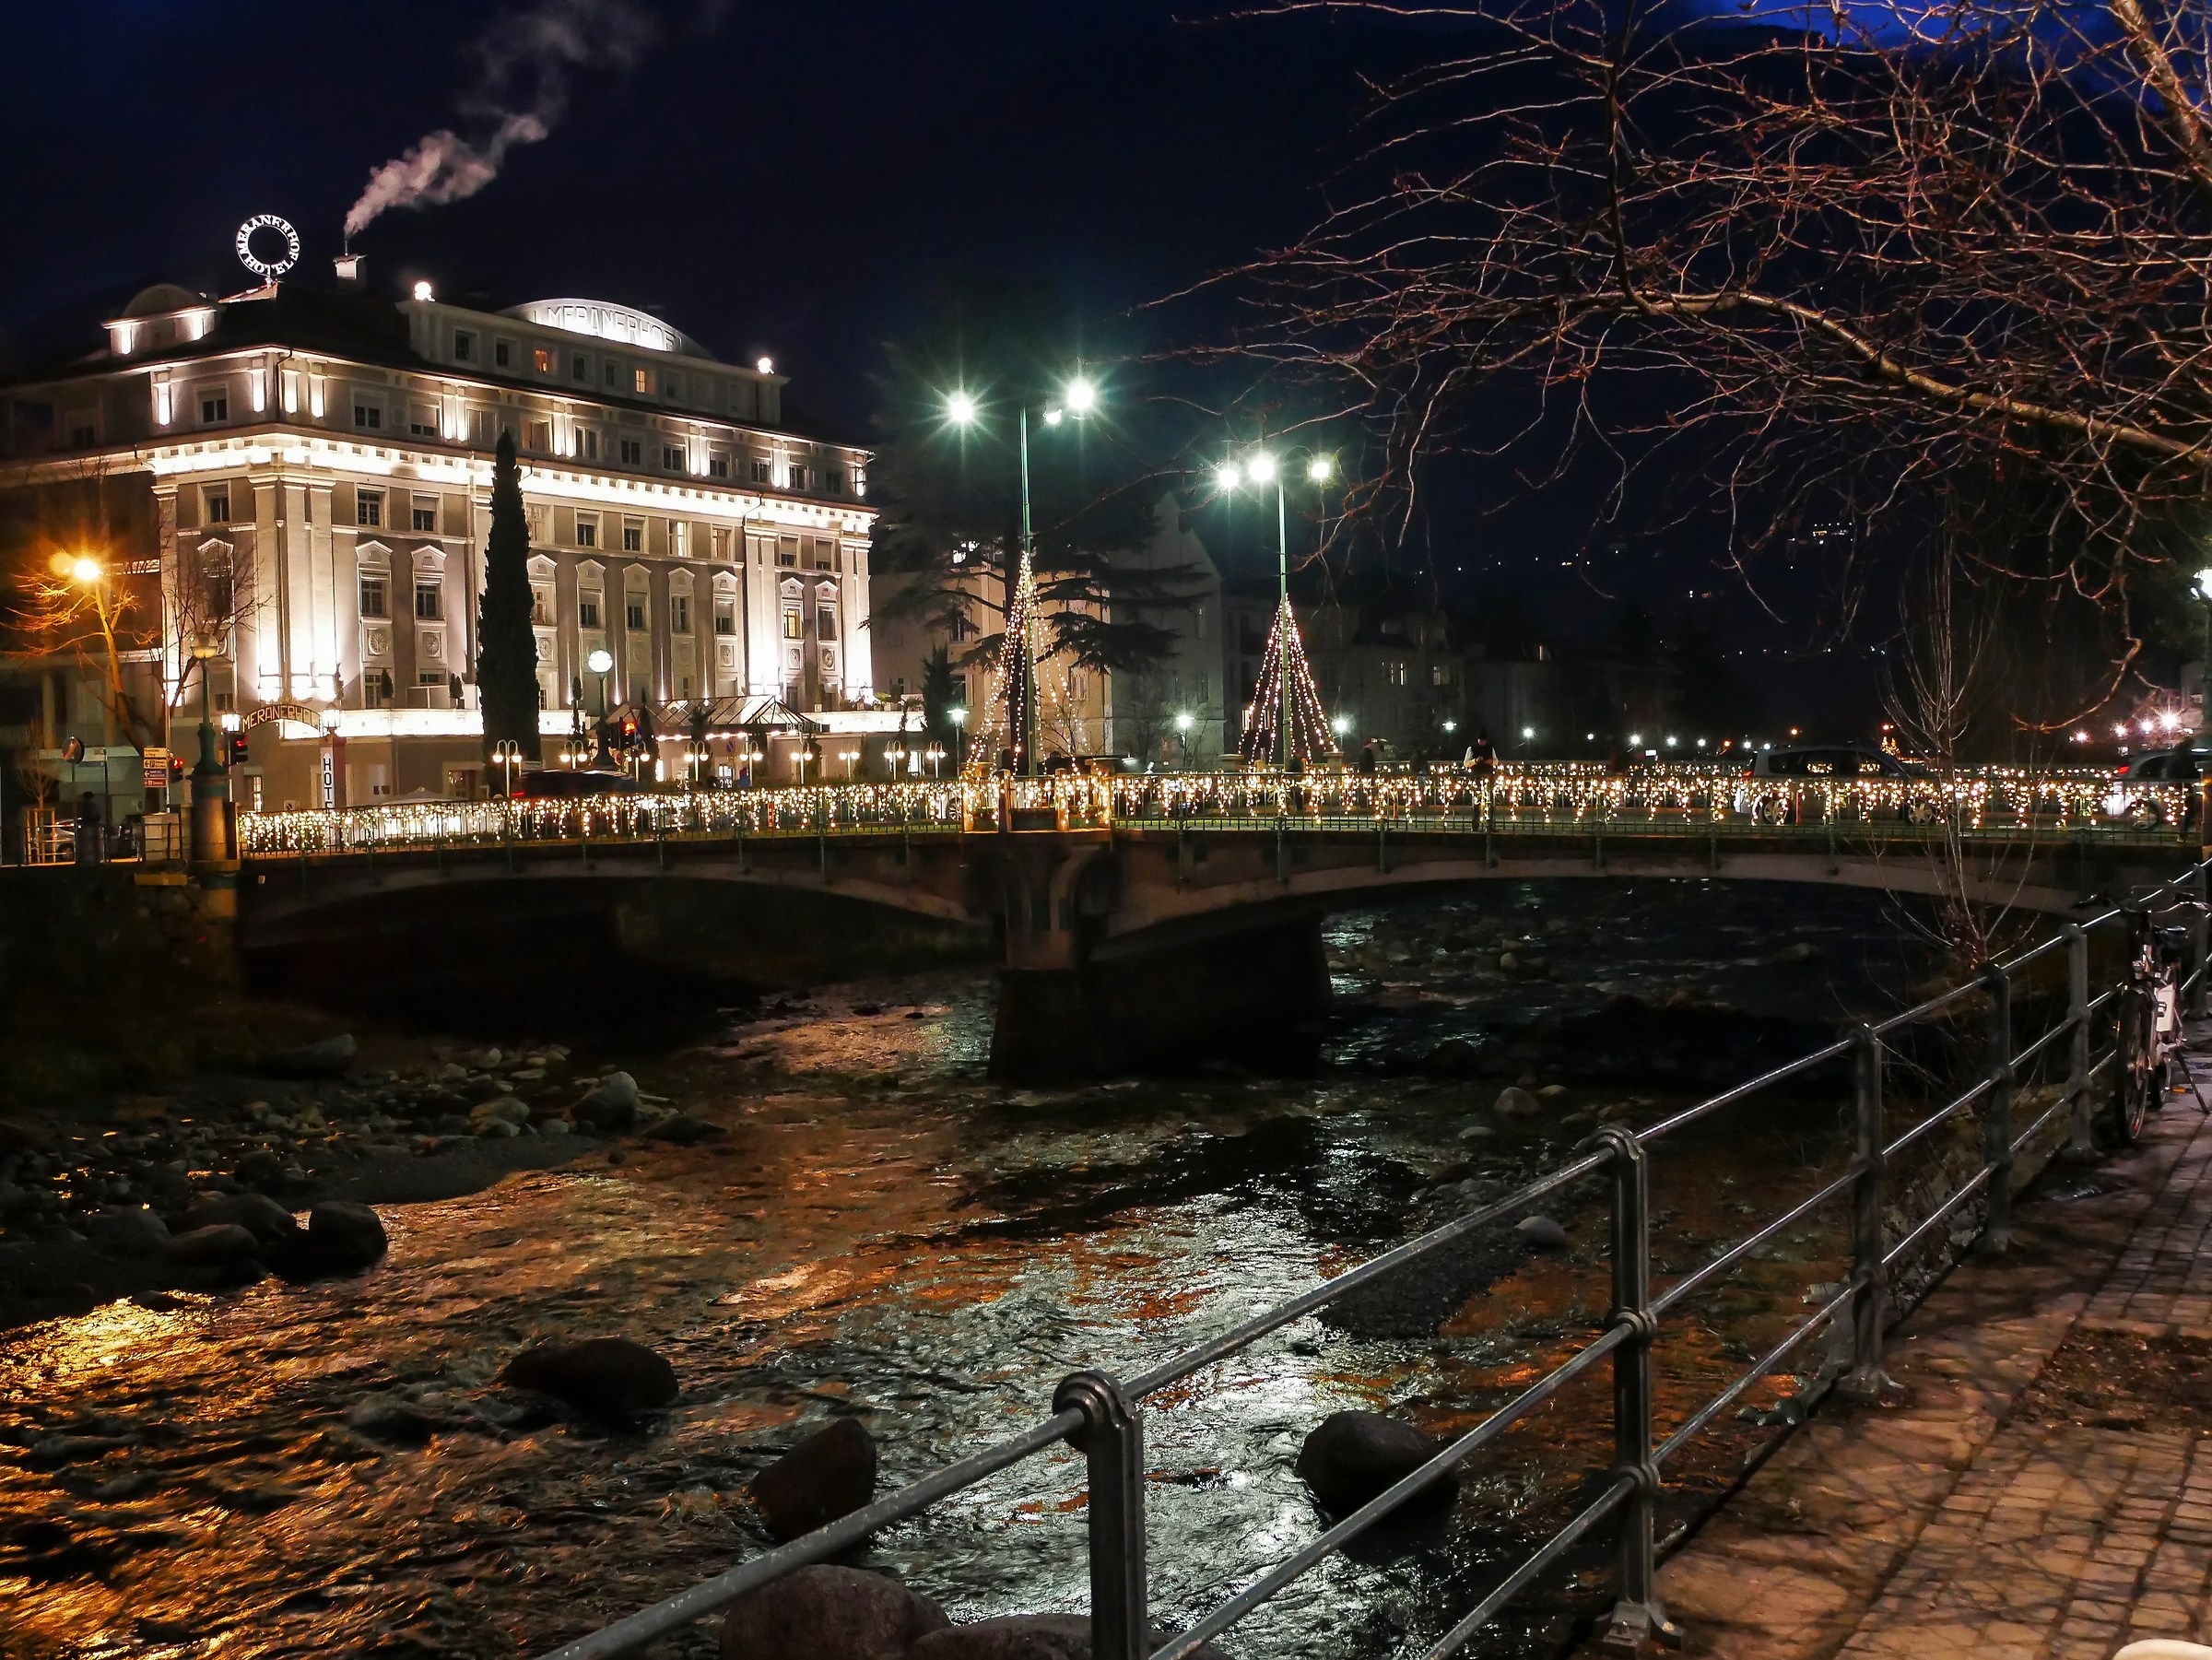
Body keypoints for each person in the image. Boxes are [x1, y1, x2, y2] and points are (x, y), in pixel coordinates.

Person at [75, 791, 102, 865]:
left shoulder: (85, 805)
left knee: (87, 845)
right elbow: (97, 816)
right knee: (94, 844)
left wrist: (84, 821)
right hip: (94, 826)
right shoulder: (95, 805)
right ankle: (96, 860)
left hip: (88, 826)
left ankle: (88, 860)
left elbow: (84, 815)